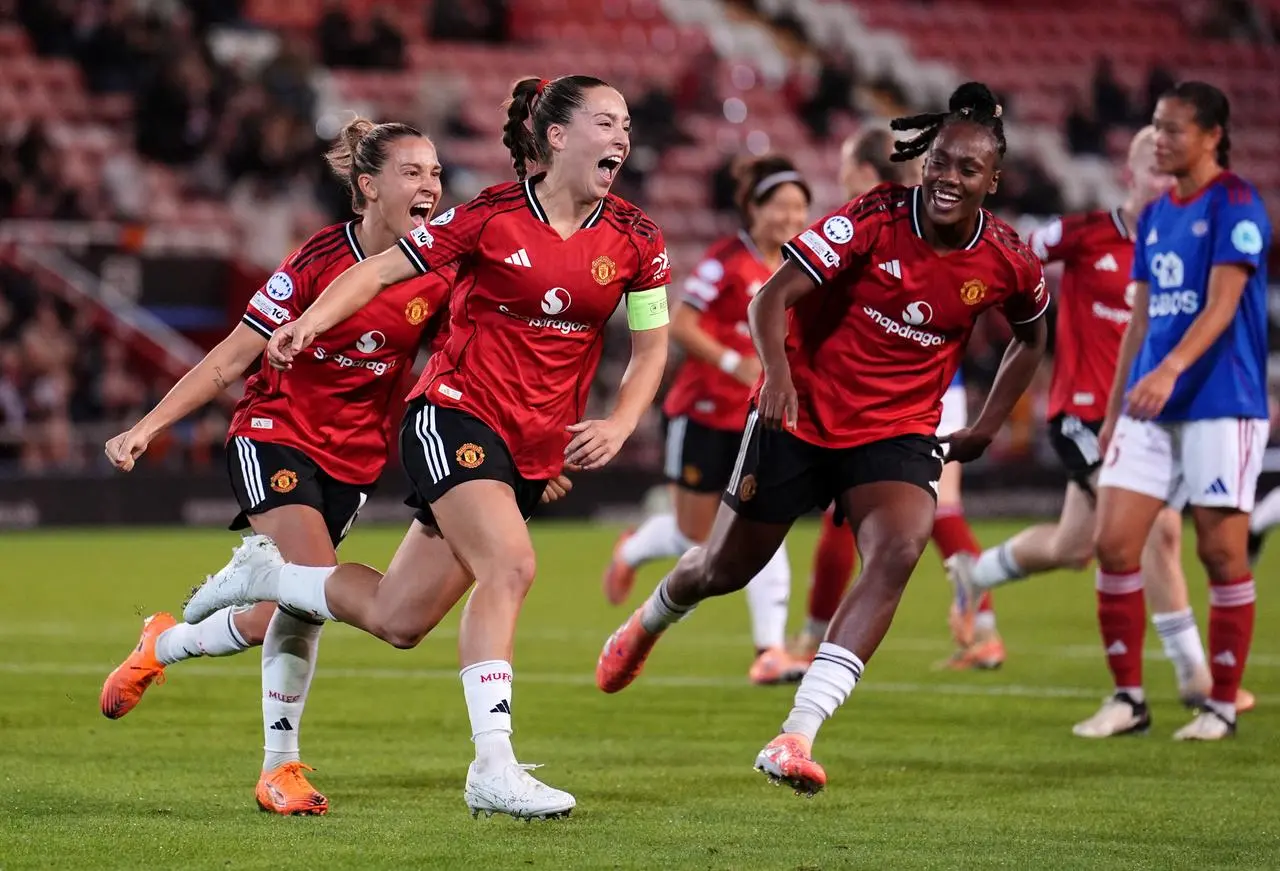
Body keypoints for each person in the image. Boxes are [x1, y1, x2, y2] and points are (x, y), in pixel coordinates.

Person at [181, 75, 671, 819]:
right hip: (455, 416)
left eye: (626, 124)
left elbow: (651, 346)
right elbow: (380, 268)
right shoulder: (489, 216)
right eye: (606, 122)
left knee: (398, 619)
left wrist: (623, 420)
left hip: (532, 448)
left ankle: (270, 576)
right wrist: (311, 321)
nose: (622, 137)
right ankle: (493, 765)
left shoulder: (639, 238)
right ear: (558, 136)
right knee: (510, 565)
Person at [596, 83, 1049, 796]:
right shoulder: (871, 218)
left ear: (993, 181)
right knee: (722, 568)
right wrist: (776, 375)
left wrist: (988, 424)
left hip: (896, 431)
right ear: (921, 162)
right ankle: (650, 620)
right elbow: (769, 297)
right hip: (800, 415)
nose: (947, 178)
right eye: (938, 162)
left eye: (968, 168)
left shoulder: (1008, 258)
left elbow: (1031, 335)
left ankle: (796, 734)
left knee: (900, 547)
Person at [97, 119, 454, 815]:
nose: (431, 185)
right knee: (312, 590)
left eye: (435, 172)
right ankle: (278, 770)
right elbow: (233, 356)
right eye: (412, 172)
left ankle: (163, 643)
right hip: (275, 435)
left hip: (354, 463)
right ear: (368, 187)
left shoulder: (436, 272)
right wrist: (147, 427)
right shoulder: (317, 260)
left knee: (274, 615)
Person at [946, 127, 1255, 713]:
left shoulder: (1186, 245)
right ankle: (1195, 676)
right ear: (1129, 175)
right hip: (1083, 413)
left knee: (1075, 546)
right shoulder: (1086, 233)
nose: (1165, 179)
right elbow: (1010, 254)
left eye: (1174, 169)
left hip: (1146, 417)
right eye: (1154, 168)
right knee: (1160, 529)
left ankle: (976, 573)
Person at [1075, 81, 1270, 741]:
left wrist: (1170, 370)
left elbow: (1222, 304)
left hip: (1221, 401)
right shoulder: (1158, 213)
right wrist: (1113, 408)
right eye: (1156, 126)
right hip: (1147, 404)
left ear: (1213, 135)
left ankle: (1221, 705)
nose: (1159, 139)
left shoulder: (1236, 203)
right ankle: (1128, 699)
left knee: (1220, 552)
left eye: (1173, 129)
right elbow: (1140, 320)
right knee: (1113, 543)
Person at [790, 126, 1000, 671]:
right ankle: (983, 628)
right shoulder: (929, 220)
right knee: (940, 511)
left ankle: (812, 637)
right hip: (939, 384)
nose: (841, 176)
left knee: (850, 512)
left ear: (864, 171)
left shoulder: (872, 226)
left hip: (890, 393)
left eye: (845, 165)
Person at [601, 155, 811, 684]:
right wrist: (733, 363)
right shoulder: (726, 261)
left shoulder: (801, 267)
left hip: (757, 418)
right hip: (701, 414)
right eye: (781, 206)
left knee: (763, 525)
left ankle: (770, 650)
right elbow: (682, 324)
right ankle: (635, 547)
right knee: (694, 537)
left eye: (799, 208)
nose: (791, 217)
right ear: (754, 209)